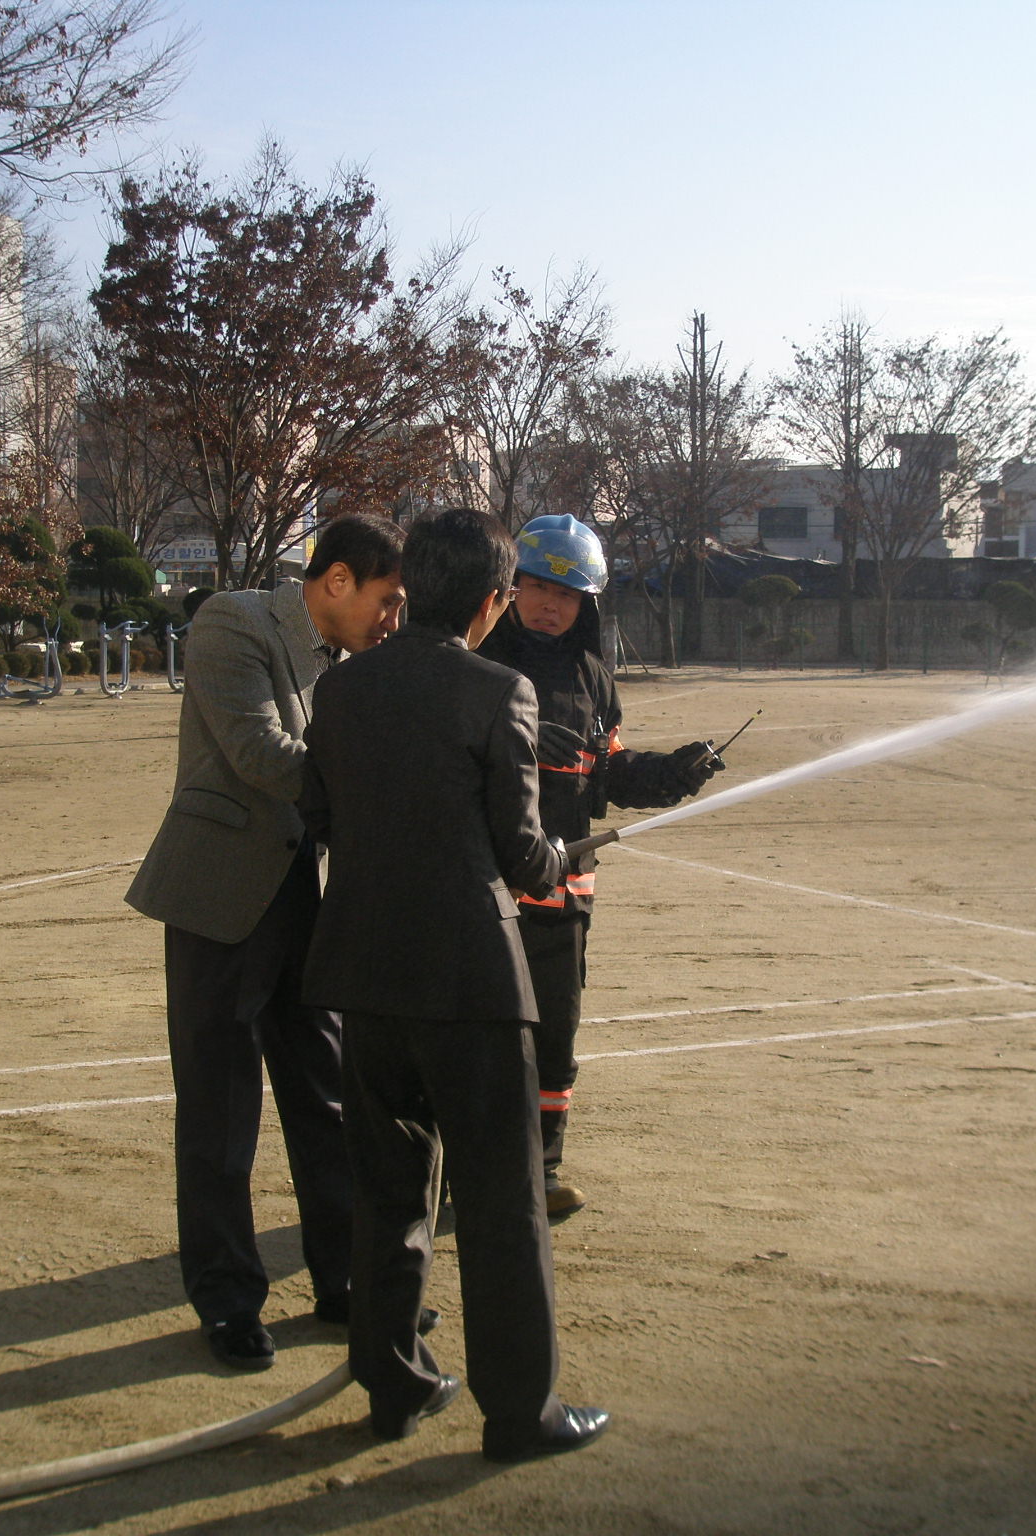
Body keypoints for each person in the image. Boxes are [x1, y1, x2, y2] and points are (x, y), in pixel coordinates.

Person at [298, 506, 610, 1464]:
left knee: (388, 1193)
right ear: (491, 602)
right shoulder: (500, 689)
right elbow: (522, 855)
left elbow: (318, 816)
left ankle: (392, 1385)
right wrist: (562, 856)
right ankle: (520, 1413)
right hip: (471, 981)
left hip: (364, 973)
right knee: (502, 1202)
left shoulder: (341, 688)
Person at [124, 513, 406, 1372]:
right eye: (387, 601)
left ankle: (346, 1281)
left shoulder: (353, 659)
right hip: (216, 898)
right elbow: (260, 753)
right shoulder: (232, 621)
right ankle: (228, 1301)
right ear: (337, 581)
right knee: (220, 1112)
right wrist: (387, 791)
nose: (392, 620)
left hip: (302, 900)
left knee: (327, 1096)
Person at [476, 513, 725, 1221]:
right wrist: (519, 739)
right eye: (538, 586)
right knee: (481, 1042)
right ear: (511, 586)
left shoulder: (593, 676)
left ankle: (541, 1171)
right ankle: (467, 1173)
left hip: (565, 898)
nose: (550, 604)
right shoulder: (479, 659)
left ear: (587, 603)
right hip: (488, 895)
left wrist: (670, 774)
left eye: (568, 593)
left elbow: (606, 771)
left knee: (555, 1042)